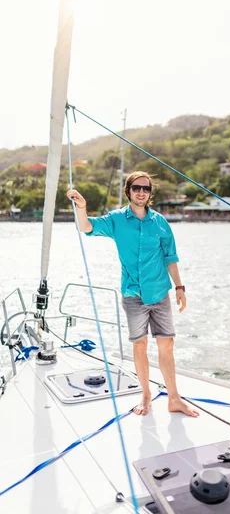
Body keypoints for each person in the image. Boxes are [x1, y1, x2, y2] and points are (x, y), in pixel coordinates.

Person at [67, 171, 198, 418]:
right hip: (133, 294)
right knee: (140, 346)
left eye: (146, 189)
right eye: (136, 188)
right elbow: (86, 227)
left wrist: (180, 287)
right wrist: (82, 207)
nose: (141, 192)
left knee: (167, 345)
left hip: (159, 292)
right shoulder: (116, 220)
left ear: (150, 193)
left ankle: (174, 398)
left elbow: (171, 257)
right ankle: (146, 394)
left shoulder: (160, 222)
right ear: (128, 191)